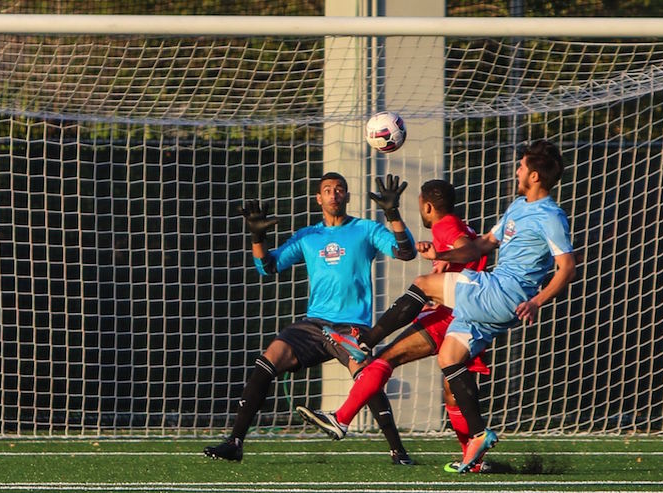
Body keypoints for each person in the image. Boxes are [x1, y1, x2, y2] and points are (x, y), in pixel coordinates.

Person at [327, 140, 575, 473]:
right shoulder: (518, 206)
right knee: (449, 358)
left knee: (423, 284)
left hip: (504, 292)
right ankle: (477, 435)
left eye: (521, 166)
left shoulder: (551, 215)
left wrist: (537, 300)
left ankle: (363, 343)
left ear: (533, 174)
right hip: (494, 295)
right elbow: (481, 246)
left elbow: (567, 267)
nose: (516, 170)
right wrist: (439, 255)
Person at [204, 172, 418, 464]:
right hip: (313, 324)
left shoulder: (366, 229)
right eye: (328, 190)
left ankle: (399, 452)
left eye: (339, 189)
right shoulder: (308, 236)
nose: (334, 194)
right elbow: (268, 267)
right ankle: (235, 442)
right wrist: (257, 236)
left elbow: (405, 252)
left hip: (351, 325)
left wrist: (392, 214)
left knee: (366, 375)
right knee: (268, 359)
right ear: (319, 198)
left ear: (347, 196)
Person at [296, 179, 494, 473]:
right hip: (467, 313)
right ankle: (473, 457)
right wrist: (444, 270)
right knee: (453, 392)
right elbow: (467, 259)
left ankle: (342, 416)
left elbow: (468, 252)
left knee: (384, 360)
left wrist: (439, 258)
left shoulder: (445, 226)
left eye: (420, 208)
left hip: (453, 317)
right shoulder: (459, 224)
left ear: (428, 206)